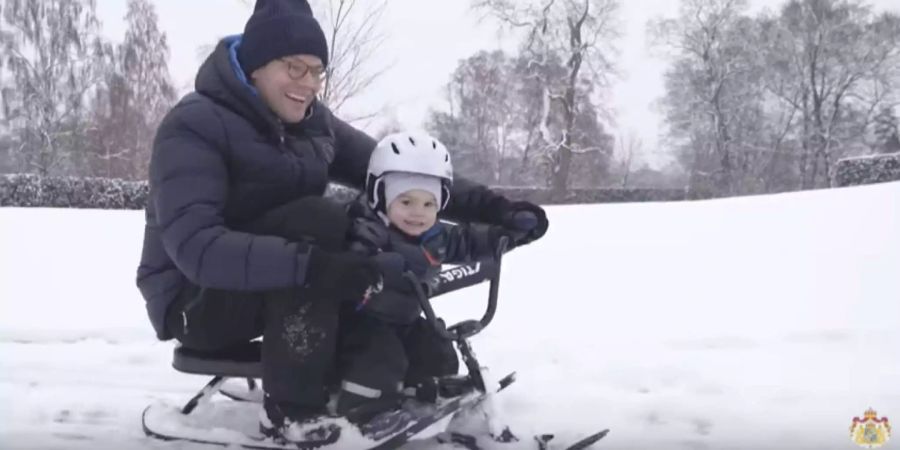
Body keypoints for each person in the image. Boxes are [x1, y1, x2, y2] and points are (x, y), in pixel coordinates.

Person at [135, 0, 548, 444]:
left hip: (277, 284)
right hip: (195, 303)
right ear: (255, 65)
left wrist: (496, 209)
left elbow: (399, 170)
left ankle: (400, 372)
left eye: (316, 71)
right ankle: (292, 412)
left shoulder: (314, 124)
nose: (308, 84)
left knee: (358, 232)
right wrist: (316, 266)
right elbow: (198, 249)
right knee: (323, 224)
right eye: (295, 68)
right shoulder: (194, 127)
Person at [330, 132, 530, 436]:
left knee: (438, 349)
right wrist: (375, 262)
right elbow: (353, 258)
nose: (418, 213)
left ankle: (416, 398)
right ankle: (362, 413)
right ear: (379, 197)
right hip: (360, 321)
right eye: (406, 201)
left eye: (428, 203)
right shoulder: (367, 229)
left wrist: (501, 237)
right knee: (381, 359)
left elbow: (464, 241)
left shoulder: (434, 234)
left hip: (403, 320)